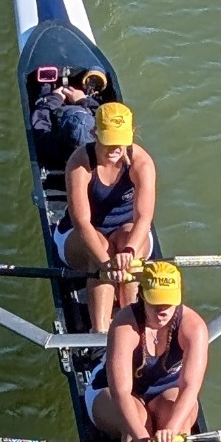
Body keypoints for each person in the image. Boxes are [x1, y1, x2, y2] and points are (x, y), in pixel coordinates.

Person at [89, 260, 208, 442]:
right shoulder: (124, 323)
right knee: (135, 421)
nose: (162, 309)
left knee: (180, 421)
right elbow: (121, 393)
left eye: (168, 301)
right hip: (110, 395)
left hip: (166, 394)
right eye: (155, 301)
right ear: (141, 295)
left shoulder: (194, 327)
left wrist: (171, 431)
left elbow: (190, 388)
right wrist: (145, 441)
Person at [57, 100, 157, 332]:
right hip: (78, 237)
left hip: (127, 234)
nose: (115, 149)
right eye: (108, 141)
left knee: (128, 248)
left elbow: (144, 218)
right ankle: (100, 336)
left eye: (121, 142)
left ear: (131, 135)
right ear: (94, 134)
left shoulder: (141, 163)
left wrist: (130, 253)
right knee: (100, 247)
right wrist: (106, 264)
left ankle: (130, 331)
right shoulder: (79, 162)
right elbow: (81, 222)